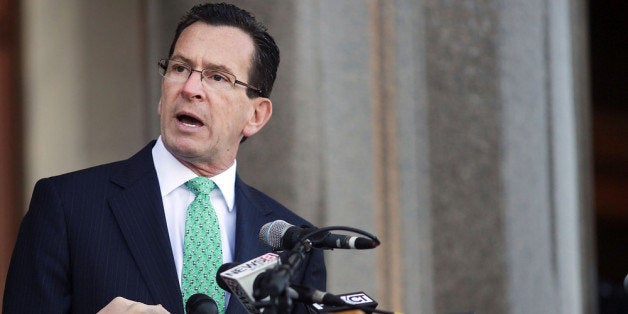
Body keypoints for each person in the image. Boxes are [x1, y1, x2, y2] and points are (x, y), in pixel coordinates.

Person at [3, 2, 326, 314]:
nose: (190, 88)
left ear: (256, 115)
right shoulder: (67, 206)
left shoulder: (294, 241)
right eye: (180, 68)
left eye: (217, 77)